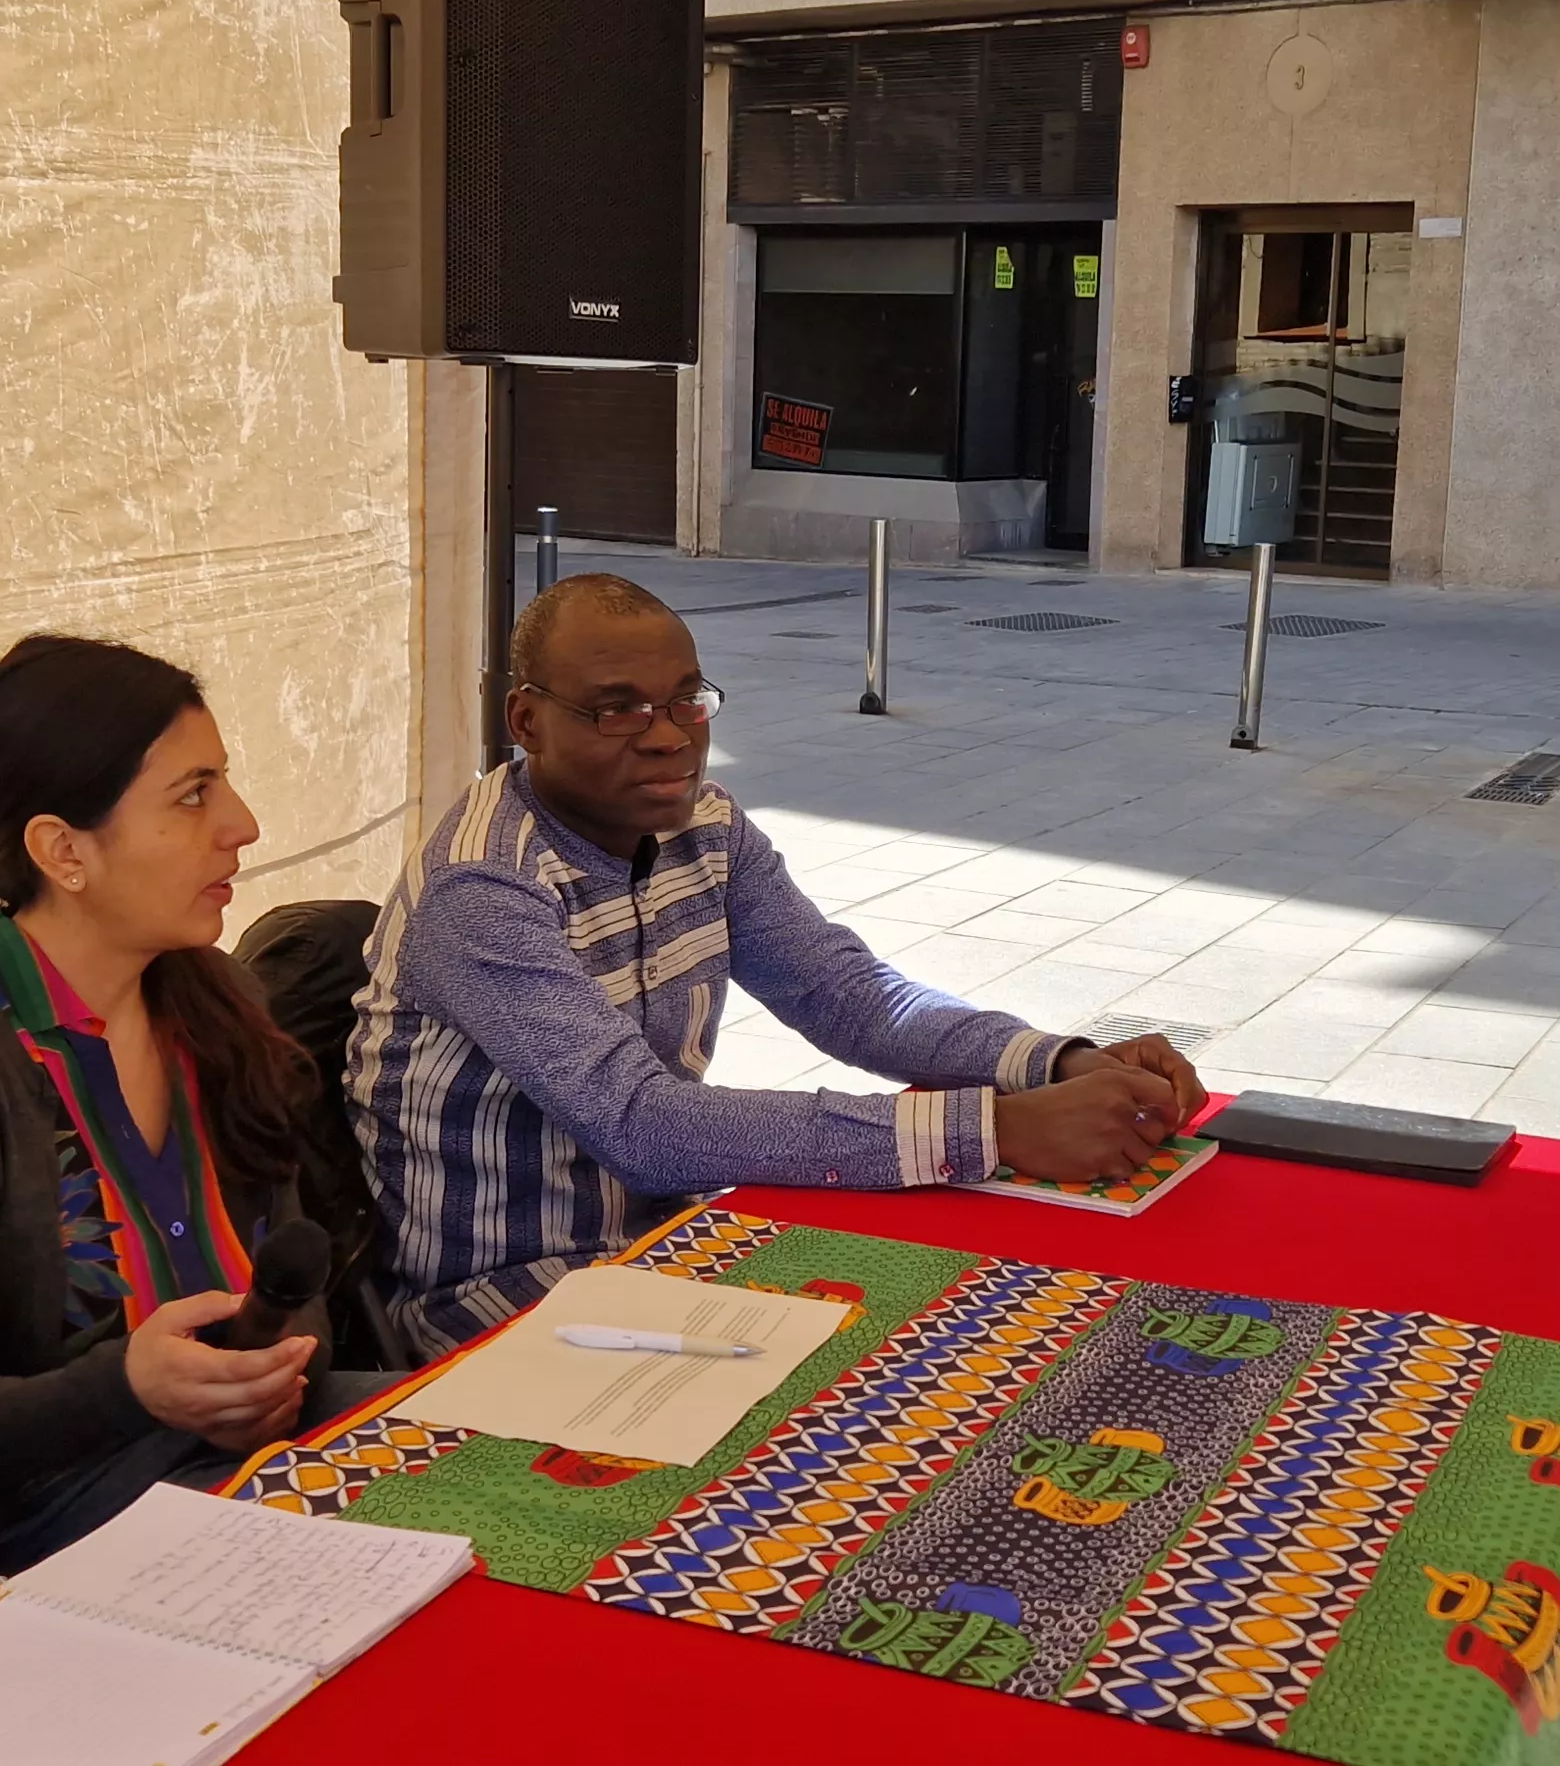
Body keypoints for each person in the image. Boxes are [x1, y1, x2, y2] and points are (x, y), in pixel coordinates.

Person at [350, 575, 1207, 1359]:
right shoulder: (486, 886)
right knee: (877, 1377)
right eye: (618, 709)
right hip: (502, 1293)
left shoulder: (707, 827)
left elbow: (852, 999)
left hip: (666, 1238)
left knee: (982, 1331)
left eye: (687, 700)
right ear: (527, 722)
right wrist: (999, 1128)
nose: (666, 737)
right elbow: (646, 1127)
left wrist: (1055, 1061)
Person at [0, 635, 400, 1576]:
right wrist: (130, 1389)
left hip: (247, 1458)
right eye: (193, 795)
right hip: (55, 1521)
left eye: (224, 782)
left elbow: (291, 1278)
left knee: (518, 1468)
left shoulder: (221, 1005)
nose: (243, 824)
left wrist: (277, 1362)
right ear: (62, 850)